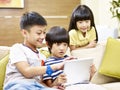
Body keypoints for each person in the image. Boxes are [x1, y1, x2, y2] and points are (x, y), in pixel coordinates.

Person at [3, 11, 74, 90]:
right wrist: (56, 66)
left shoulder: (42, 57)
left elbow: (39, 81)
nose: (43, 36)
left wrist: (52, 87)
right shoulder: (17, 48)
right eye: (39, 33)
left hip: (36, 86)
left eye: (44, 32)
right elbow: (27, 72)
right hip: (17, 85)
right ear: (24, 33)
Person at [42, 26, 105, 90]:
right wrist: (56, 82)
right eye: (58, 44)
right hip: (67, 87)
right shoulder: (48, 63)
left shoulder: (72, 59)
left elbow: (85, 80)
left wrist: (92, 73)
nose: (62, 48)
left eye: (65, 44)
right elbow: (49, 86)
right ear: (48, 44)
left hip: (83, 85)